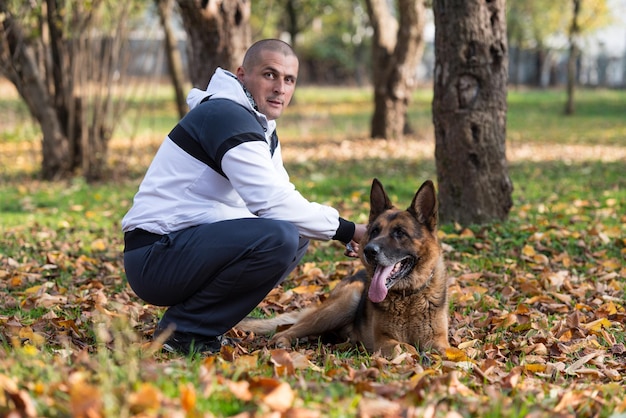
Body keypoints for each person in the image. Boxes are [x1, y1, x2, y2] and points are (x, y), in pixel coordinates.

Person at [122, 39, 367, 355]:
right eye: (269, 75)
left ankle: (201, 328)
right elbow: (271, 203)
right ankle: (184, 333)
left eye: (289, 79)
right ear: (241, 75)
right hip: (155, 256)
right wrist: (350, 230)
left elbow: (284, 198)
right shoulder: (227, 116)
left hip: (180, 248)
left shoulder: (260, 125)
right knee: (279, 235)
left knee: (295, 234)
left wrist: (337, 230)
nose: (280, 88)